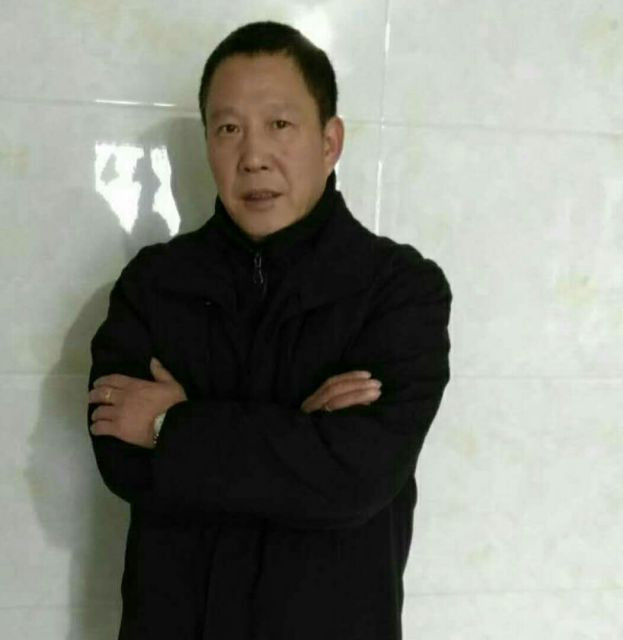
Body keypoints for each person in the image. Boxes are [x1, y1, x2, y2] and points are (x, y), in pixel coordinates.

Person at [87, 20, 452, 640]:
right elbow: (119, 456)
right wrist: (302, 438)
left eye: (279, 124)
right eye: (228, 129)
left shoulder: (399, 290)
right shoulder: (154, 283)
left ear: (330, 141)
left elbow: (355, 480)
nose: (252, 155)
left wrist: (169, 426)